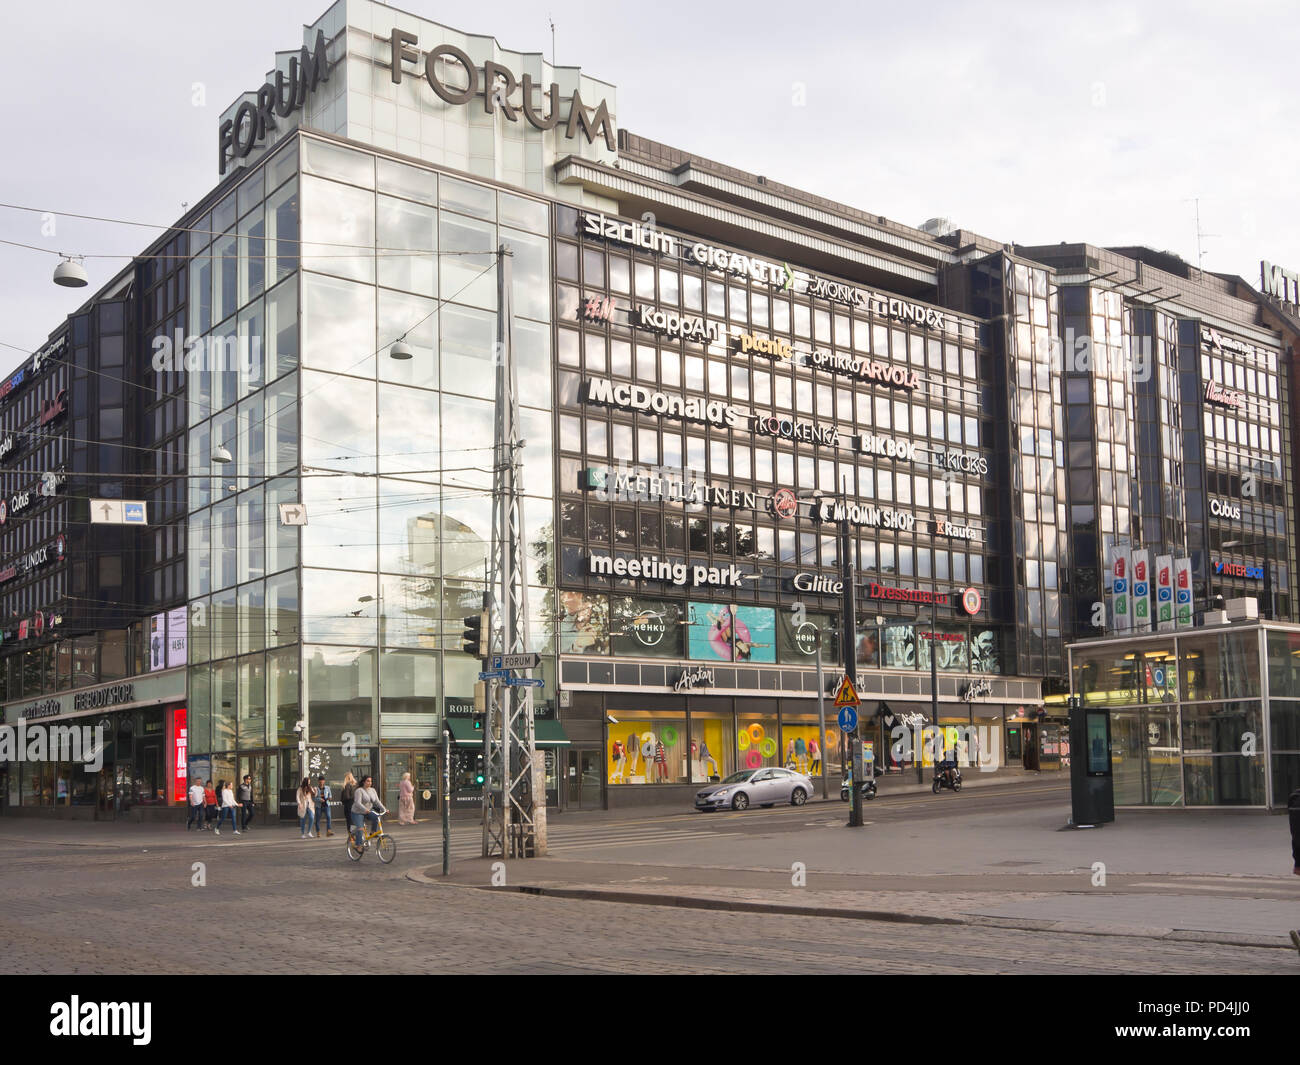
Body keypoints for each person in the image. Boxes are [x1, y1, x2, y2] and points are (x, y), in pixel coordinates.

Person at [351, 775, 388, 849]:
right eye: (368, 781)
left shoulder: (372, 790)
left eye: (370, 781)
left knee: (376, 818)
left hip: (367, 811)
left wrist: (384, 809)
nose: (369, 783)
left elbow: (377, 801)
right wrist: (365, 810)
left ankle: (373, 832)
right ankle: (358, 845)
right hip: (357, 812)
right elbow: (357, 803)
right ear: (363, 782)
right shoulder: (359, 790)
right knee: (360, 828)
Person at [341, 772, 358, 840]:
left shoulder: (347, 785)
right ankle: (354, 835)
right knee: (354, 821)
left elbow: (346, 797)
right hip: (356, 806)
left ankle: (351, 836)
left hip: (349, 805)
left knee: (349, 822)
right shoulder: (356, 785)